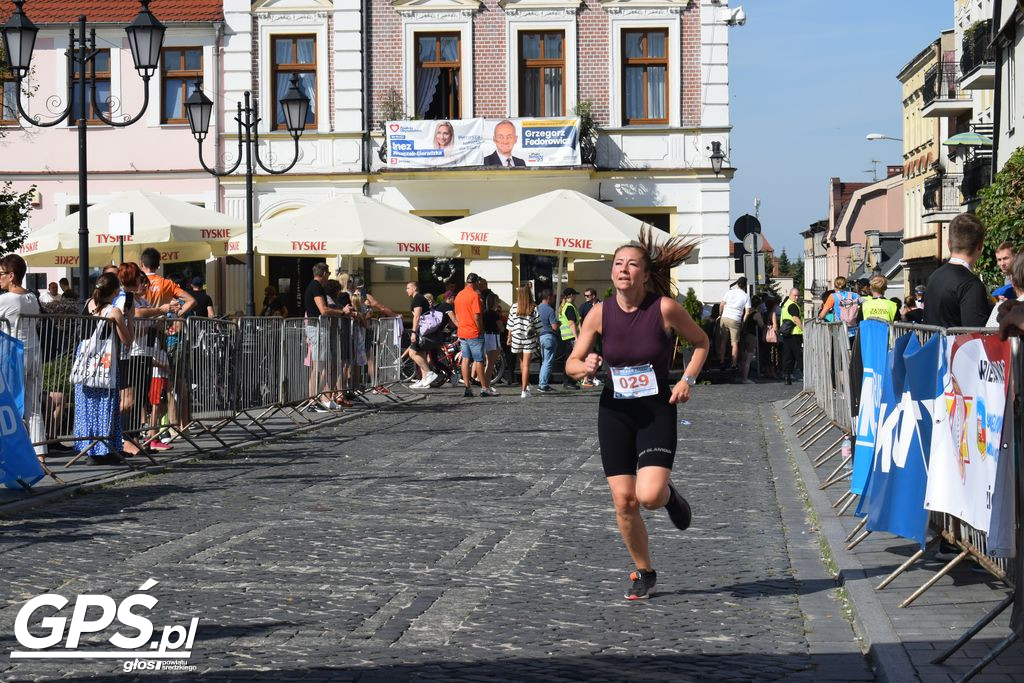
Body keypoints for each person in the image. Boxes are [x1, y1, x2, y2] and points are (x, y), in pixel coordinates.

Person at [565, 227, 709, 601]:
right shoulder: (598, 313)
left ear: (645, 274)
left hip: (656, 410)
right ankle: (644, 572)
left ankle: (668, 496)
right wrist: (586, 366)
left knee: (648, 495)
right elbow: (571, 363)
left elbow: (701, 342)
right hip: (614, 411)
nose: (623, 270)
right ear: (611, 273)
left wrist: (686, 380)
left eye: (631, 265)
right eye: (617, 264)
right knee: (624, 501)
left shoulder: (663, 309)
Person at [73, 272, 134, 464]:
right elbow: (127, 340)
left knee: (85, 405)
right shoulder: (114, 311)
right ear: (115, 291)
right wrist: (129, 317)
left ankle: (87, 447)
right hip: (104, 363)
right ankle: (104, 448)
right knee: (106, 405)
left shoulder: (88, 305)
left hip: (84, 362)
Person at [0, 254, 45, 456]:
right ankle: (40, 454)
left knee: (10, 406)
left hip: (14, 355)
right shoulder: (32, 298)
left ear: (11, 276)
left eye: (0, 273)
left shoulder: (7, 299)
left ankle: (13, 453)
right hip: (34, 352)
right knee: (33, 407)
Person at [923, 213, 992, 328]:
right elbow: (975, 334)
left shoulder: (934, 276)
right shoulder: (970, 285)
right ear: (980, 246)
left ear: (949, 243)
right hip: (957, 345)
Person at [305, 263, 352, 411]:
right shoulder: (316, 286)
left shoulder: (314, 285)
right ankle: (313, 401)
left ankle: (320, 399)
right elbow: (323, 310)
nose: (329, 275)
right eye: (329, 272)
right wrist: (343, 312)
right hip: (319, 329)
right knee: (320, 367)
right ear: (324, 273)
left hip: (319, 328)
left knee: (322, 366)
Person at [454, 273, 496, 397]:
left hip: (462, 331)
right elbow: (477, 316)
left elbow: (456, 314)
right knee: (479, 360)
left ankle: (468, 388)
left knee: (465, 359)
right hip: (474, 332)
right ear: (476, 282)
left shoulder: (459, 295)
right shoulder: (474, 296)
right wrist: (481, 329)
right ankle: (484, 388)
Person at [507, 284, 542, 398]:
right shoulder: (533, 307)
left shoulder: (513, 307)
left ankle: (525, 385)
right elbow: (538, 326)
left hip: (516, 338)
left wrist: (509, 338)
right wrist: (538, 337)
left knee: (522, 363)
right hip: (529, 338)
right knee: (526, 365)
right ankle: (524, 390)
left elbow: (510, 325)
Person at [140, 248, 195, 317]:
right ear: (158, 265)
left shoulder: (137, 282)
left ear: (142, 264)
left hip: (138, 324)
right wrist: (177, 314)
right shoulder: (168, 284)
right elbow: (191, 300)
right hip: (159, 324)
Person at [406, 281, 437, 387]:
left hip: (420, 330)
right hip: (422, 331)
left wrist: (413, 332)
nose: (407, 290)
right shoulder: (419, 298)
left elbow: (417, 317)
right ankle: (424, 380)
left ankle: (429, 373)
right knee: (421, 354)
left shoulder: (418, 298)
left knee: (412, 354)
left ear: (414, 288)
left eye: (408, 288)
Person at [718, 277, 751, 369]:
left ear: (737, 284)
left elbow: (721, 304)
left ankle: (721, 362)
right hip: (735, 319)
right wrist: (742, 322)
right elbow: (747, 312)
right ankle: (733, 364)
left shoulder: (729, 292)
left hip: (725, 317)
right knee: (734, 343)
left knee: (723, 341)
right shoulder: (746, 296)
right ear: (745, 285)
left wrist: (721, 314)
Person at [987, 251, 1024, 327]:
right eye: (999, 260)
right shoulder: (999, 293)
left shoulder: (1001, 309)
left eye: (1005, 258)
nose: (1002, 263)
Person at [819, 276, 859, 342]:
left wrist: (819, 318)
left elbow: (822, 315)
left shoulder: (833, 296)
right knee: (853, 351)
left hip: (840, 329)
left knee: (840, 351)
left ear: (835, 285)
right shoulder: (854, 295)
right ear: (845, 284)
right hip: (853, 330)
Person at [535, 288, 559, 393]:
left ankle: (542, 383)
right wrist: (558, 324)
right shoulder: (550, 309)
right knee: (547, 362)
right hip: (549, 336)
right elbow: (554, 327)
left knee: (544, 361)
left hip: (540, 337)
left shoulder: (537, 308)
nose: (554, 299)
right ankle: (543, 385)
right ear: (549, 298)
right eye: (553, 297)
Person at [558, 288, 581, 390]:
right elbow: (571, 323)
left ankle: (569, 381)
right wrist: (577, 338)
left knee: (569, 360)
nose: (576, 296)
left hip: (566, 337)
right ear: (571, 295)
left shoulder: (565, 306)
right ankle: (568, 382)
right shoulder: (569, 307)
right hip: (571, 337)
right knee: (571, 360)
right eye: (575, 294)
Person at [737, 294, 762, 384]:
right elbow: (761, 325)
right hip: (751, 335)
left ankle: (742, 376)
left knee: (743, 358)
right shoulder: (757, 314)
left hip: (743, 334)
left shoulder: (745, 311)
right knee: (749, 358)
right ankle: (745, 378)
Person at [780, 288, 803, 385]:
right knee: (798, 355)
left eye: (798, 295)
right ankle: (804, 374)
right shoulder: (793, 305)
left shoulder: (785, 304)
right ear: (790, 294)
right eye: (795, 295)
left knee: (788, 356)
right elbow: (795, 319)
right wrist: (803, 329)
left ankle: (787, 376)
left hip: (786, 334)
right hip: (794, 333)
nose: (797, 297)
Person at [482, 292, 504, 386]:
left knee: (488, 363)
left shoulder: (484, 312)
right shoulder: (494, 314)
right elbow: (501, 327)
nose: (498, 302)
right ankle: (486, 385)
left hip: (486, 336)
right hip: (493, 336)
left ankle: (486, 384)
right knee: (490, 364)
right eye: (497, 301)